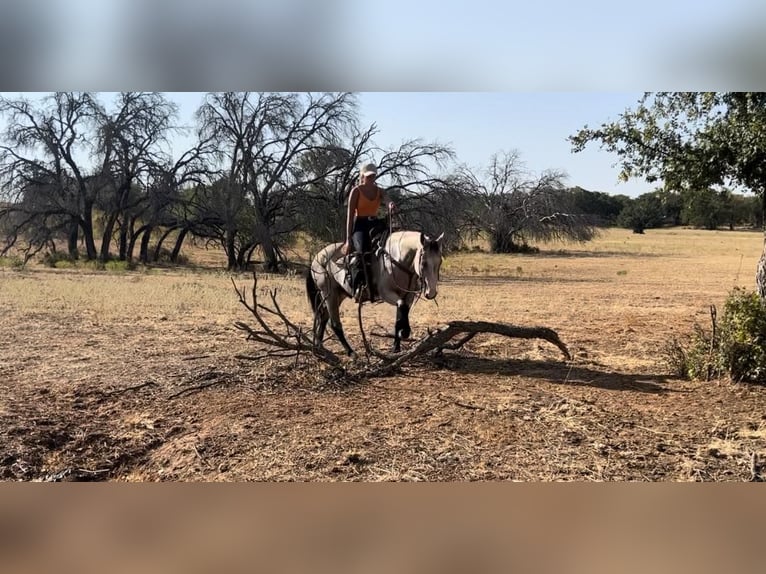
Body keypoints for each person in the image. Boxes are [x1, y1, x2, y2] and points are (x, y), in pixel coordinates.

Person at [341, 162, 396, 301]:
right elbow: (350, 216)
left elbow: (387, 199)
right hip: (359, 224)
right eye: (368, 176)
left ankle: (390, 281)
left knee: (388, 245)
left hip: (374, 222)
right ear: (362, 177)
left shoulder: (379, 191)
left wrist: (390, 204)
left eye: (373, 176)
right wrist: (348, 239)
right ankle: (359, 286)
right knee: (362, 253)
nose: (371, 178)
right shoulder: (356, 191)